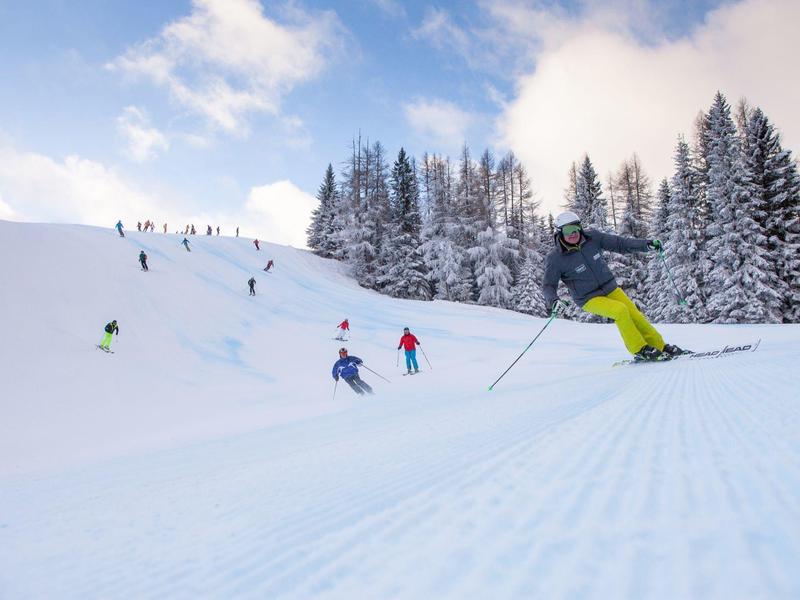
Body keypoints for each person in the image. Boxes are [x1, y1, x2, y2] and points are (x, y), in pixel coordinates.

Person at [542, 211, 687, 362]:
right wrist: (553, 301)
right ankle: (639, 349)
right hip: (588, 298)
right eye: (567, 230)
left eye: (575, 228)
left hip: (610, 288)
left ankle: (660, 346)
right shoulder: (555, 259)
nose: (573, 233)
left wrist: (646, 244)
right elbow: (548, 285)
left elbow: (620, 243)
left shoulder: (593, 238)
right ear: (559, 233)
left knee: (635, 315)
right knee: (620, 311)